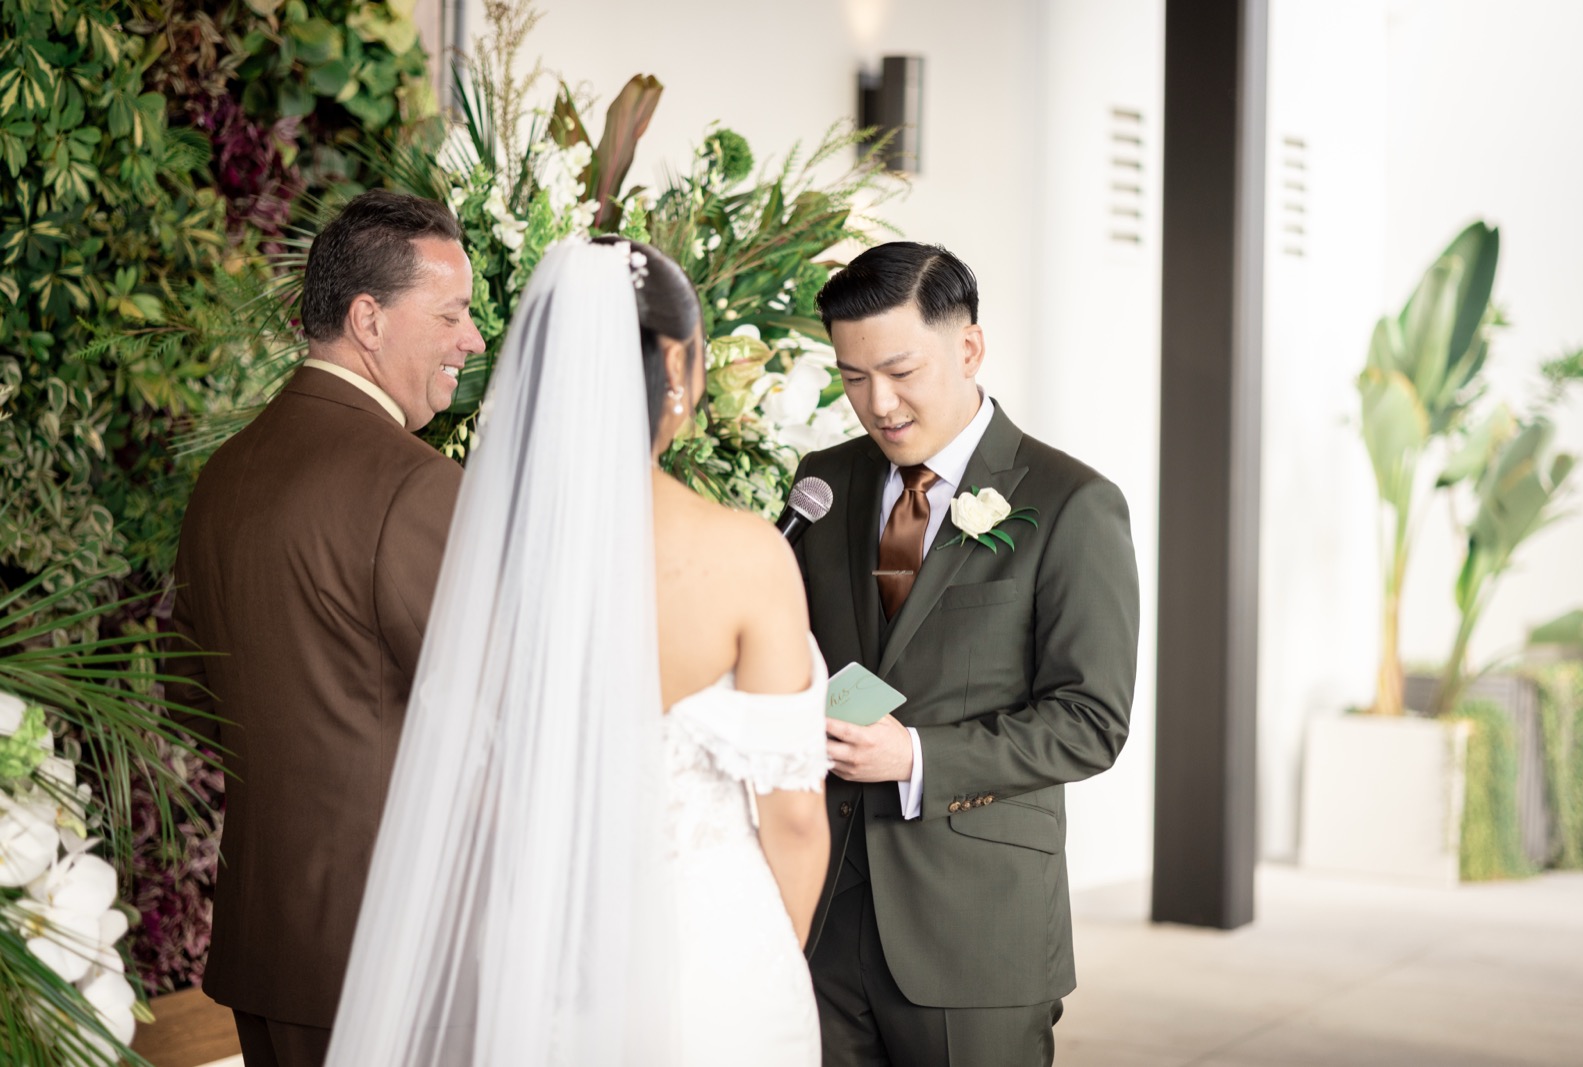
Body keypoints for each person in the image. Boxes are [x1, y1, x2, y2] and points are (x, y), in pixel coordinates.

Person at [324, 238, 831, 1066]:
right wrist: (772, 959)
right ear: (679, 365)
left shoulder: (491, 562)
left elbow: (480, 799)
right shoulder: (746, 555)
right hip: (718, 963)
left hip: (550, 965)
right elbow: (798, 816)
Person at [791, 242, 1140, 1066]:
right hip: (826, 917)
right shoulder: (824, 482)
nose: (878, 402)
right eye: (851, 377)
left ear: (969, 347)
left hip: (977, 927)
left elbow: (1091, 721)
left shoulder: (1072, 503)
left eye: (901, 371)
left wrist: (914, 754)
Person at [165, 190, 486, 1067]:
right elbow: (491, 716)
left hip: (265, 939)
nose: (474, 339)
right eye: (453, 313)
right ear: (368, 319)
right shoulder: (415, 485)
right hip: (387, 949)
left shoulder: (225, 472)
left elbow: (190, 700)